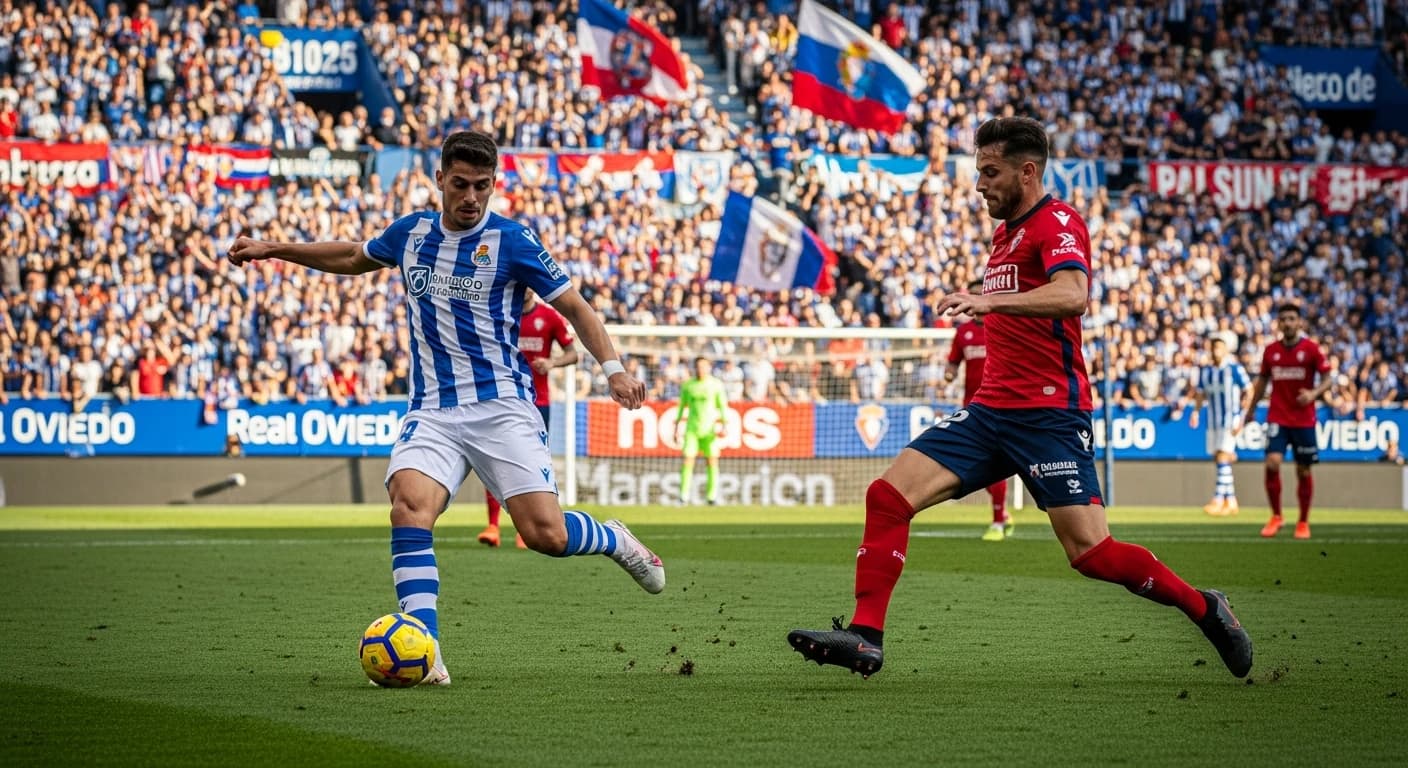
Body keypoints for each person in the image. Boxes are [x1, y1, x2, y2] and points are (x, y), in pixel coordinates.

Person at [786, 117, 1252, 680]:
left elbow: (1073, 294)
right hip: (990, 412)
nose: (980, 184)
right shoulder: (1004, 236)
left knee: (1091, 554)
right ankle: (866, 635)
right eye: (978, 171)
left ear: (1027, 172)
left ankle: (1206, 608)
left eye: (990, 172)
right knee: (887, 496)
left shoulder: (1057, 222)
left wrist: (990, 302)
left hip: (1049, 415)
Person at [228, 130, 665, 687]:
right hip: (433, 409)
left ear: (494, 185)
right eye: (460, 184)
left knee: (546, 536)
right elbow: (353, 256)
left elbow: (576, 307)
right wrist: (274, 248)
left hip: (501, 406)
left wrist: (614, 369)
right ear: (439, 179)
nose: (470, 197)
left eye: (482, 186)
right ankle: (426, 648)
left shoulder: (513, 241)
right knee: (409, 508)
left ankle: (614, 538)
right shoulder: (410, 234)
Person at [478, 288, 577, 549]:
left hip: (537, 402)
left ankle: (527, 529)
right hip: (502, 399)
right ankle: (492, 526)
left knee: (533, 465)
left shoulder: (549, 317)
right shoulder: (497, 311)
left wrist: (552, 363)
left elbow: (573, 353)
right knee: (493, 461)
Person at [1241, 303, 1331, 540]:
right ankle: (1276, 516)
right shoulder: (1271, 351)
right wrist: (1250, 410)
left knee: (1303, 469)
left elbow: (1328, 378)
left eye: (1292, 318)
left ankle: (1303, 521)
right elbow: (1262, 382)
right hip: (1278, 416)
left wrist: (1313, 394)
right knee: (1272, 463)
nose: (1288, 323)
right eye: (1283, 319)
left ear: (1299, 322)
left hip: (1304, 419)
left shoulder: (1311, 349)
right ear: (1278, 323)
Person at [943, 285, 1012, 541]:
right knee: (975, 467)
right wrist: (949, 374)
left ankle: (997, 522)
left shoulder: (1004, 326)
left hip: (1001, 405)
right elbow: (953, 362)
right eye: (972, 295)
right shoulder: (963, 332)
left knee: (994, 463)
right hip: (971, 406)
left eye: (980, 294)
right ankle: (1003, 515)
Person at [1189, 332, 1251, 516]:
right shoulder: (1206, 371)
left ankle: (1217, 499)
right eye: (1213, 346)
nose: (1215, 350)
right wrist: (1196, 412)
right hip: (1213, 421)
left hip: (1230, 420)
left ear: (1225, 349)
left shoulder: (1234, 369)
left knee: (1223, 456)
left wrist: (1243, 416)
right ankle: (1231, 500)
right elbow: (1200, 394)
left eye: (1219, 347)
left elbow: (1249, 390)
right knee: (1219, 457)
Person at [674, 356, 728, 505]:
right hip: (692, 429)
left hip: (710, 430)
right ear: (694, 368)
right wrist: (676, 428)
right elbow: (681, 407)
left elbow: (722, 406)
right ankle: (683, 496)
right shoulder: (688, 386)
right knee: (688, 460)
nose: (700, 369)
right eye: (698, 366)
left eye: (704, 366)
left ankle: (712, 497)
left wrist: (725, 425)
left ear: (709, 367)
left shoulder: (716, 385)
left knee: (712, 461)